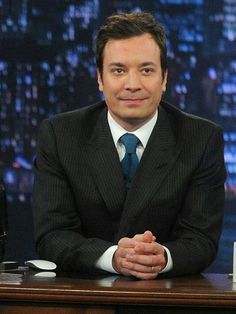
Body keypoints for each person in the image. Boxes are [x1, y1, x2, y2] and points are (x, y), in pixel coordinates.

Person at [33, 12, 226, 280]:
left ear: (165, 78)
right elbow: (52, 235)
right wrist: (113, 257)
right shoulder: (60, 135)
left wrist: (163, 257)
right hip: (86, 299)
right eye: (118, 70)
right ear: (100, 78)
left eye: (146, 70)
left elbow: (201, 238)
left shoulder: (202, 138)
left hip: (166, 301)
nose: (132, 85)